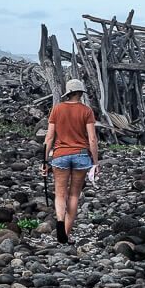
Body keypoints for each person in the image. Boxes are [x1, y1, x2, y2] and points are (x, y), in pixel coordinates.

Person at [41, 78, 99, 244]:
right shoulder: (86, 111)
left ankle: (59, 223)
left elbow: (49, 137)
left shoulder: (57, 109)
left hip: (60, 155)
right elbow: (92, 139)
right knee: (74, 195)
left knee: (60, 193)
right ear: (80, 93)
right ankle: (65, 234)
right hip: (81, 155)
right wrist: (95, 162)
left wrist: (45, 161)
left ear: (68, 93)